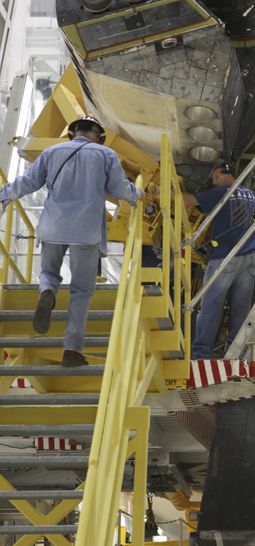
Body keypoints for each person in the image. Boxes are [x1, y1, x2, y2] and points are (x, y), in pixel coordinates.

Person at [0, 116, 144, 368]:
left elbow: (28, 182)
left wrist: (4, 196)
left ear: (71, 133)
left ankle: (47, 291)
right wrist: (137, 194)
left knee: (49, 273)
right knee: (81, 292)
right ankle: (72, 351)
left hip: (53, 226)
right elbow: (119, 189)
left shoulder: (52, 152)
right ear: (98, 136)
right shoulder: (106, 154)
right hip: (85, 231)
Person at [183, 159, 255, 359]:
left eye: (215, 178)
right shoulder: (250, 194)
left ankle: (201, 353)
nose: (214, 182)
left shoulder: (221, 193)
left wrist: (165, 191)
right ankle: (235, 353)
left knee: (211, 305)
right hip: (250, 259)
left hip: (225, 258)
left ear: (221, 174)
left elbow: (190, 201)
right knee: (241, 308)